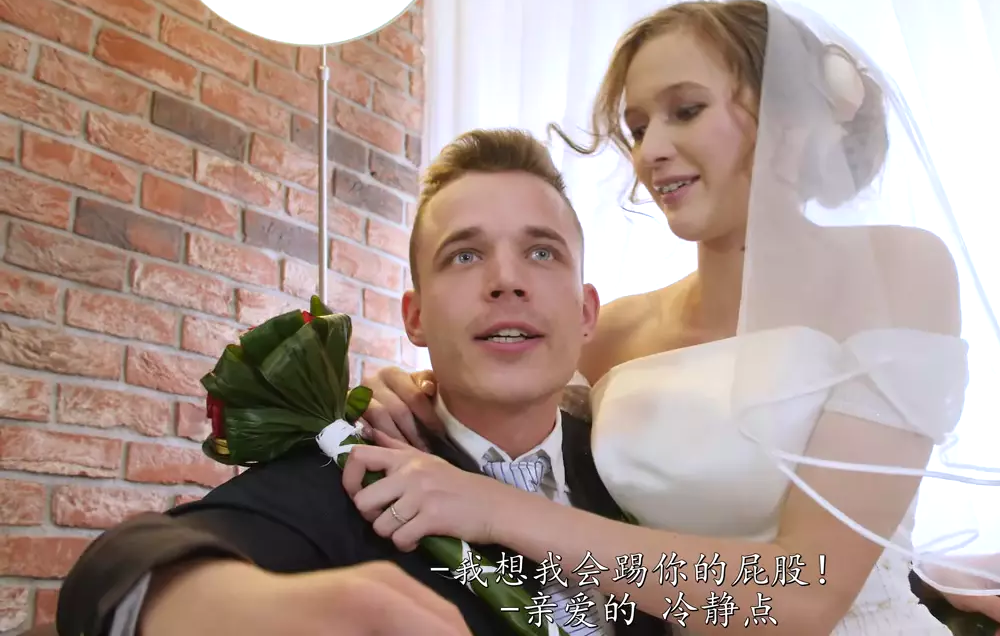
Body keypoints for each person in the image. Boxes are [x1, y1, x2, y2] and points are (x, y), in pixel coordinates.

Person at [354, 0, 1000, 636]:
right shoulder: (616, 332)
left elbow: (807, 597)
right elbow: (499, 405)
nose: (651, 151)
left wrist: (493, 510)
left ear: (789, 118)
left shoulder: (900, 272)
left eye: (686, 110)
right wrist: (403, 391)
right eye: (638, 126)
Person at [53, 129, 669, 636]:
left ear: (586, 312)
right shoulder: (353, 472)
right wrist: (219, 604)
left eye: (542, 253)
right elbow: (117, 571)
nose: (506, 280)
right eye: (464, 255)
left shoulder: (635, 464)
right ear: (415, 317)